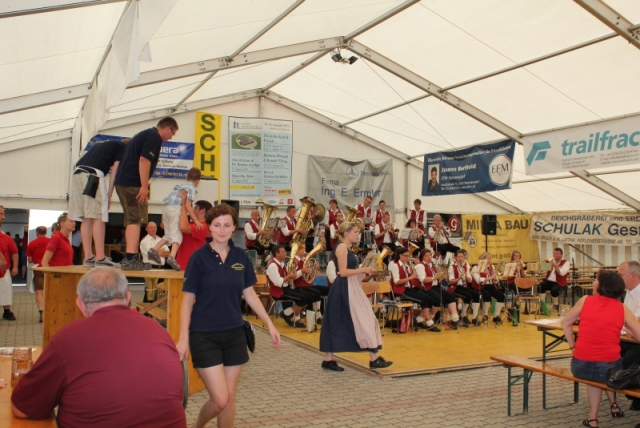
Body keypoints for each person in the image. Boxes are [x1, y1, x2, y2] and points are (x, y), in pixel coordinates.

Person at [11, 268, 186, 427]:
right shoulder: (159, 330)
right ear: (128, 298)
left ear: (80, 305)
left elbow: (23, 409)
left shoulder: (69, 337)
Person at [177, 203, 280, 428]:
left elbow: (249, 294)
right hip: (204, 335)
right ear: (209, 227)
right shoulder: (198, 258)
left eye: (227, 225)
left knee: (230, 397)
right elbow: (187, 300)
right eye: (217, 225)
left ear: (234, 227)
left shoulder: (240, 257)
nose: (222, 230)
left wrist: (269, 324)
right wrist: (183, 339)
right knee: (220, 399)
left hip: (234, 334)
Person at [562, 270, 640, 427]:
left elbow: (565, 323)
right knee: (607, 368)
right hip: (608, 367)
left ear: (601, 285)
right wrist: (630, 331)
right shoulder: (623, 308)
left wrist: (572, 346)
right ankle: (611, 407)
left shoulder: (585, 300)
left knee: (595, 376)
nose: (593, 282)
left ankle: (593, 417)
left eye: (596, 280)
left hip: (580, 366)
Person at [320, 221, 392, 372]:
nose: (358, 235)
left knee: (357, 321)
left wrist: (365, 272)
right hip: (344, 288)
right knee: (353, 321)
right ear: (347, 233)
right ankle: (373, 359)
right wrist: (363, 269)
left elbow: (349, 273)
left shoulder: (347, 248)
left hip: (351, 286)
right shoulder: (341, 247)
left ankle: (372, 358)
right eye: (355, 232)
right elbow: (343, 272)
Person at [114, 117, 178, 270]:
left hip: (125, 181)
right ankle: (130, 258)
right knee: (135, 220)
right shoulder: (153, 136)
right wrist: (144, 186)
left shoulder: (145, 134)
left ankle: (130, 257)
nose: (171, 138)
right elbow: (144, 160)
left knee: (133, 219)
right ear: (168, 128)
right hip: (132, 183)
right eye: (173, 133)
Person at [69, 138, 127, 268]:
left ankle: (88, 257)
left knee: (86, 217)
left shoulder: (104, 145)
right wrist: (109, 194)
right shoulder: (122, 148)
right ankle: (100, 258)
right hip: (92, 176)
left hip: (77, 174)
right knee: (99, 217)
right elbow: (115, 171)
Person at [148, 167, 202, 271]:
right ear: (198, 181)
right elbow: (187, 206)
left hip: (166, 209)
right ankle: (172, 257)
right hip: (176, 209)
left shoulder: (179, 185)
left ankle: (154, 250)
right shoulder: (191, 188)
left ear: (186, 177)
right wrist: (196, 221)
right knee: (177, 236)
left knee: (168, 235)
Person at [390, 247, 440, 332]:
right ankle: (429, 323)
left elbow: (410, 279)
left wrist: (413, 275)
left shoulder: (406, 265)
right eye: (406, 256)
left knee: (430, 299)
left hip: (408, 289)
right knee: (424, 299)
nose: (408, 258)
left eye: (408, 256)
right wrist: (410, 277)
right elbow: (397, 282)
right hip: (400, 292)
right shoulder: (395, 266)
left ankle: (419, 320)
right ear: (400, 256)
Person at [415, 248, 468, 328]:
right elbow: (423, 279)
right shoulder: (420, 266)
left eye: (430, 255)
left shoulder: (432, 265)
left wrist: (440, 275)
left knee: (450, 296)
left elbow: (435, 278)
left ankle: (455, 319)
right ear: (422, 257)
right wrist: (435, 277)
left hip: (434, 286)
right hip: (425, 288)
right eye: (426, 256)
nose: (429, 257)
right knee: (439, 300)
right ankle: (428, 318)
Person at [266, 245, 316, 328]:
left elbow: (293, 276)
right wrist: (289, 276)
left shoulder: (282, 264)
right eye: (283, 252)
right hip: (278, 292)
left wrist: (297, 269)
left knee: (309, 297)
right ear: (277, 254)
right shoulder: (272, 266)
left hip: (285, 289)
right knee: (302, 298)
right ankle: (296, 319)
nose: (286, 253)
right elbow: (278, 282)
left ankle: (286, 313)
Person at [617, 260, 640, 411]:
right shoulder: (629, 293)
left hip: (636, 341)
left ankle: (634, 394)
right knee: (607, 353)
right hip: (629, 338)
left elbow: (635, 321)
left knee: (628, 362)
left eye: (621, 275)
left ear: (633, 275)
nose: (618, 278)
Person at [176, 195, 212, 271]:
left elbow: (183, 227)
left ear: (202, 211)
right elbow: (164, 226)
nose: (192, 210)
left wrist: (184, 206)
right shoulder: (191, 224)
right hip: (182, 268)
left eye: (195, 208)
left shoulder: (204, 227)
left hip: (193, 270)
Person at [471, 252, 505, 325]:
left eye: (490, 258)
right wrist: (489, 278)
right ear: (482, 259)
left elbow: (495, 280)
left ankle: (496, 316)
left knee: (501, 295)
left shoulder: (491, 267)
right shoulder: (476, 267)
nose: (489, 259)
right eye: (487, 258)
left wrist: (495, 278)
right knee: (487, 295)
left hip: (490, 285)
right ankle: (485, 315)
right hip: (481, 286)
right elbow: (478, 280)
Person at [26, 226, 50, 322]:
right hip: (50, 269)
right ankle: (50, 312)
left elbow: (30, 260)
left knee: (39, 292)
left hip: (38, 269)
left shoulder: (32, 243)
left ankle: (41, 313)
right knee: (50, 292)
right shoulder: (51, 242)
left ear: (37, 233)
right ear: (46, 232)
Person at [0, 206, 18, 321]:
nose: (4, 217)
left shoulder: (6, 238)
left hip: (3, 270)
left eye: (3, 214)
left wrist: (15, 267)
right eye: (1, 214)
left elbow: (14, 252)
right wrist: (2, 258)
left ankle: (7, 311)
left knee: (6, 289)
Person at [448, 249, 473, 324]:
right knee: (468, 295)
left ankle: (463, 314)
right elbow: (451, 281)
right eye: (459, 257)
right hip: (455, 287)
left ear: (464, 257)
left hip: (464, 286)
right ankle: (463, 315)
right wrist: (459, 278)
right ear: (456, 257)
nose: (460, 258)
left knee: (475, 294)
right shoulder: (452, 267)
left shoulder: (465, 266)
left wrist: (465, 275)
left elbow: (470, 280)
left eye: (462, 257)